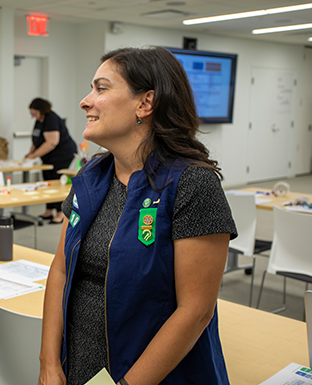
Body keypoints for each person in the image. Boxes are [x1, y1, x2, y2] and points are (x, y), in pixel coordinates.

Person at [38, 47, 237, 385]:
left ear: (145, 104)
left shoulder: (193, 185)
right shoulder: (90, 177)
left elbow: (195, 311)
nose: (85, 101)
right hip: (80, 366)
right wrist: (48, 362)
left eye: (101, 89)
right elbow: (60, 268)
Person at [25, 98, 77, 224]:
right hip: (48, 156)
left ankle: (60, 213)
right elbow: (36, 139)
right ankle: (49, 210)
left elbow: (52, 142)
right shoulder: (39, 121)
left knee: (56, 181)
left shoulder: (51, 119)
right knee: (47, 180)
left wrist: (34, 156)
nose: (33, 116)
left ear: (41, 110)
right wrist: (30, 153)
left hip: (62, 154)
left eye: (34, 113)